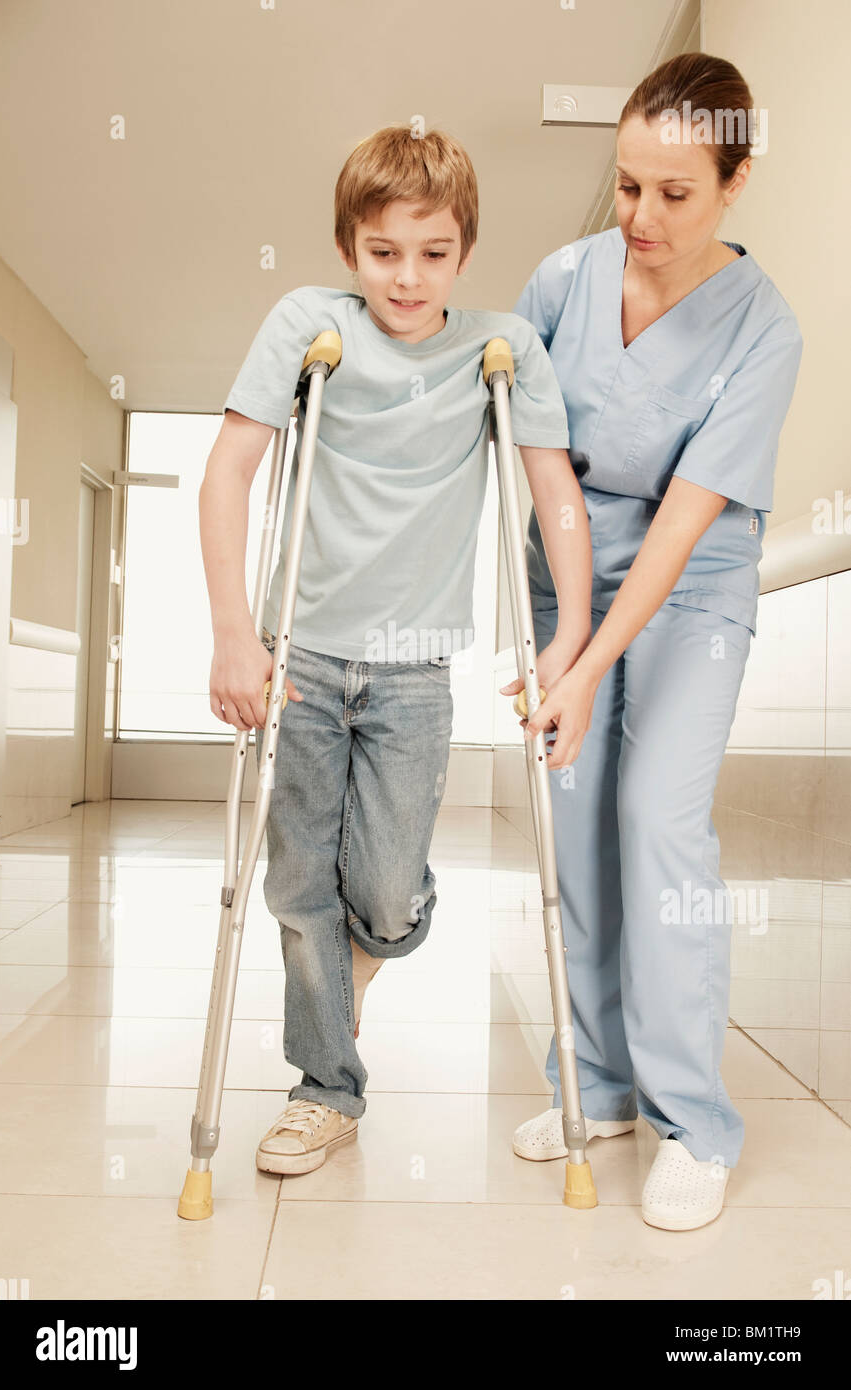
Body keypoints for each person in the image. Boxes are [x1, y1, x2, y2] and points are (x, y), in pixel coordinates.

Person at [199, 125, 589, 1176]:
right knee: (293, 886)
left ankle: (363, 955)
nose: (406, 277)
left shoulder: (498, 347)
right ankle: (325, 1086)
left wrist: (571, 640)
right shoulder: (307, 324)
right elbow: (230, 471)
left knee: (377, 890)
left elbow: (553, 495)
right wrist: (235, 631)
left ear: (464, 251)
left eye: (431, 252)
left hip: (415, 669)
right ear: (347, 246)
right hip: (307, 655)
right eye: (381, 251)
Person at [501, 53, 803, 1231]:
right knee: (576, 832)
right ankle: (603, 1083)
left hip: (691, 594)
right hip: (565, 581)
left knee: (655, 819)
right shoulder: (561, 281)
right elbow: (534, 462)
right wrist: (567, 641)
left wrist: (590, 655)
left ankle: (693, 1122)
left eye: (673, 194)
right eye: (626, 185)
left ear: (734, 183)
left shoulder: (763, 330)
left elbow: (681, 526)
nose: (640, 217)